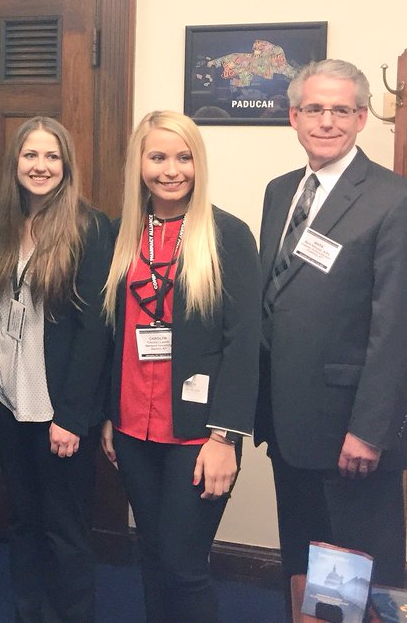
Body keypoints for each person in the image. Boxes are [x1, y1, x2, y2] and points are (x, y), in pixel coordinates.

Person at [255, 59, 407, 593]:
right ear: (294, 117)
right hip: (287, 426)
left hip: (351, 436)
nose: (327, 121)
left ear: (362, 118)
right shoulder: (280, 190)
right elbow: (277, 301)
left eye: (342, 110)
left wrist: (369, 430)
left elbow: (404, 331)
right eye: (314, 109)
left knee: (356, 579)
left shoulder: (401, 202)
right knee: (303, 562)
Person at [100, 110, 261, 623]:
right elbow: (110, 337)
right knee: (150, 556)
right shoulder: (121, 234)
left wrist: (225, 437)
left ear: (198, 162)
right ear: (139, 165)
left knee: (183, 565)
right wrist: (108, 414)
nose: (172, 170)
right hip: (131, 429)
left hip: (198, 433)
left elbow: (244, 343)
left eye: (184, 157)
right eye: (158, 157)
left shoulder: (227, 235)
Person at [0, 117, 113, 622]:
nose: (40, 166)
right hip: (10, 399)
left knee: (65, 530)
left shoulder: (91, 227)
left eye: (52, 156)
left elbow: (96, 331)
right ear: (16, 163)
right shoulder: (3, 221)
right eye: (31, 155)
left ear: (66, 165)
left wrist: (74, 417)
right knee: (23, 521)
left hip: (59, 410)